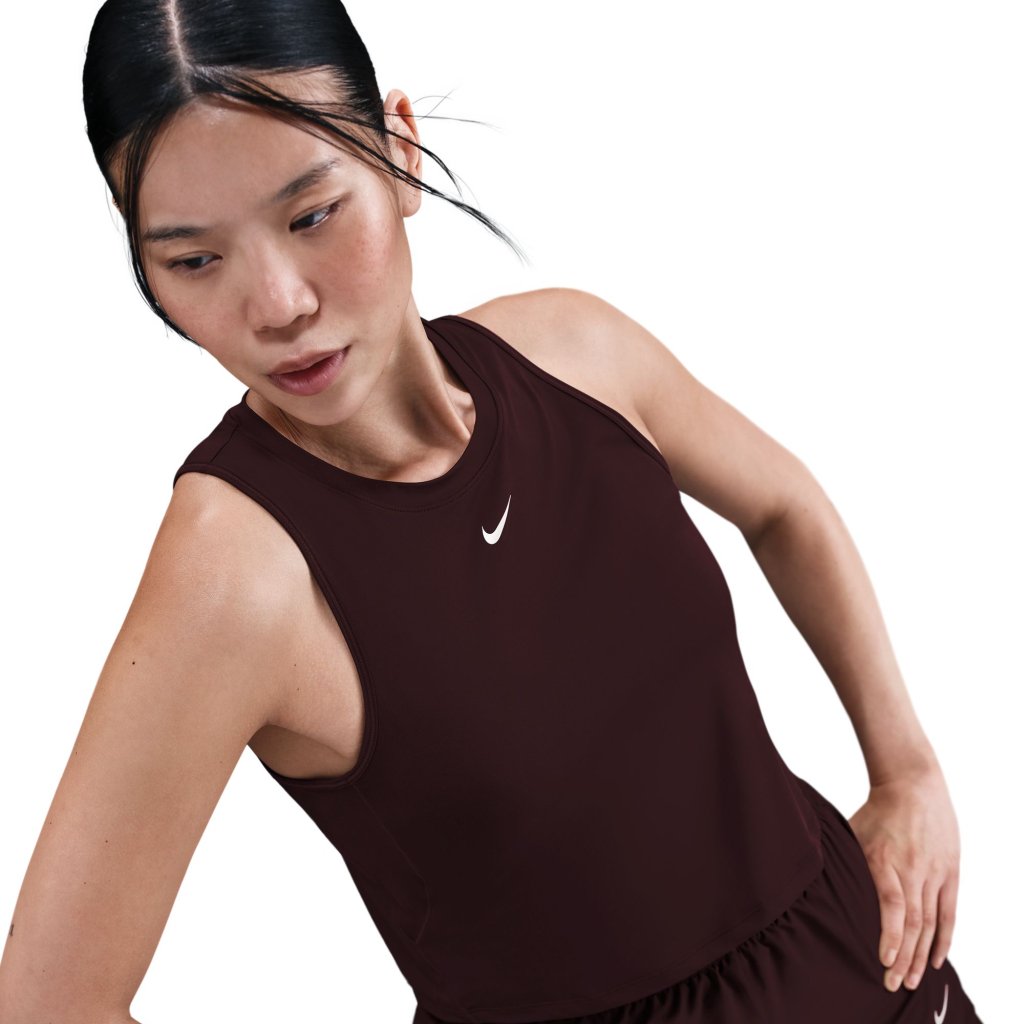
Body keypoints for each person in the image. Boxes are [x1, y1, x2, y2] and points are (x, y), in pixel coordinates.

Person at [0, 2, 986, 1023]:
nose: (279, 304)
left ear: (398, 149)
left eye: (311, 215)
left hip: (872, 969)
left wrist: (907, 771)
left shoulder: (574, 352)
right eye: (194, 260)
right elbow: (49, 1004)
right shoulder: (236, 569)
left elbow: (784, 507)